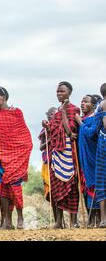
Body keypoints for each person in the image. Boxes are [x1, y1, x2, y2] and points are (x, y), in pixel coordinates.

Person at [0, 86, 32, 229]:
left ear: (4, 98)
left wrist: (21, 153)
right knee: (1, 187)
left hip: (16, 156)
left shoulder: (16, 113)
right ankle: (6, 220)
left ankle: (20, 217)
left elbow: (24, 135)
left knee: (15, 186)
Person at [43, 81, 80, 229]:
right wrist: (47, 126)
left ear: (69, 93)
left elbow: (70, 129)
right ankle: (58, 221)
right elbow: (53, 131)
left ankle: (73, 221)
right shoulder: (57, 111)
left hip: (69, 152)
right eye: (58, 92)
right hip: (56, 153)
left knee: (71, 186)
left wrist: (64, 114)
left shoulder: (73, 109)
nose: (59, 94)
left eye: (62, 91)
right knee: (56, 187)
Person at [75, 95, 101, 227]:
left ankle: (98, 218)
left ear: (93, 105)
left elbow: (91, 133)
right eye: (82, 101)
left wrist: (80, 123)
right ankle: (91, 219)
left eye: (86, 102)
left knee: (95, 186)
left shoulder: (95, 118)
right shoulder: (83, 119)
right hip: (83, 158)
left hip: (93, 157)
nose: (82, 104)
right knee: (85, 188)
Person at [96, 83, 106, 228]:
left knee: (102, 180)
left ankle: (104, 219)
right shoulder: (103, 104)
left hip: (102, 142)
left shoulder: (100, 104)